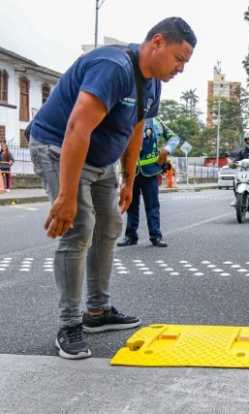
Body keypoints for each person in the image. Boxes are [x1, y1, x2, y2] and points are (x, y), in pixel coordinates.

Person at [27, 17, 196, 360]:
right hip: (59, 148)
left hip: (101, 161)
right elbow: (76, 127)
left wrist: (129, 180)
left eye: (185, 63)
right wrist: (65, 196)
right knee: (78, 228)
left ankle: (97, 311)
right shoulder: (113, 66)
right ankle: (69, 324)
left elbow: (134, 129)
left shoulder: (152, 82)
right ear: (157, 42)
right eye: (179, 59)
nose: (181, 68)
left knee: (110, 226)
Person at [117, 118, 181, 248]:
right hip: (131, 172)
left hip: (150, 172)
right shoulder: (128, 117)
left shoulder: (156, 122)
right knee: (131, 206)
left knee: (152, 206)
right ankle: (130, 236)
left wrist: (166, 150)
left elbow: (174, 138)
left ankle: (156, 236)